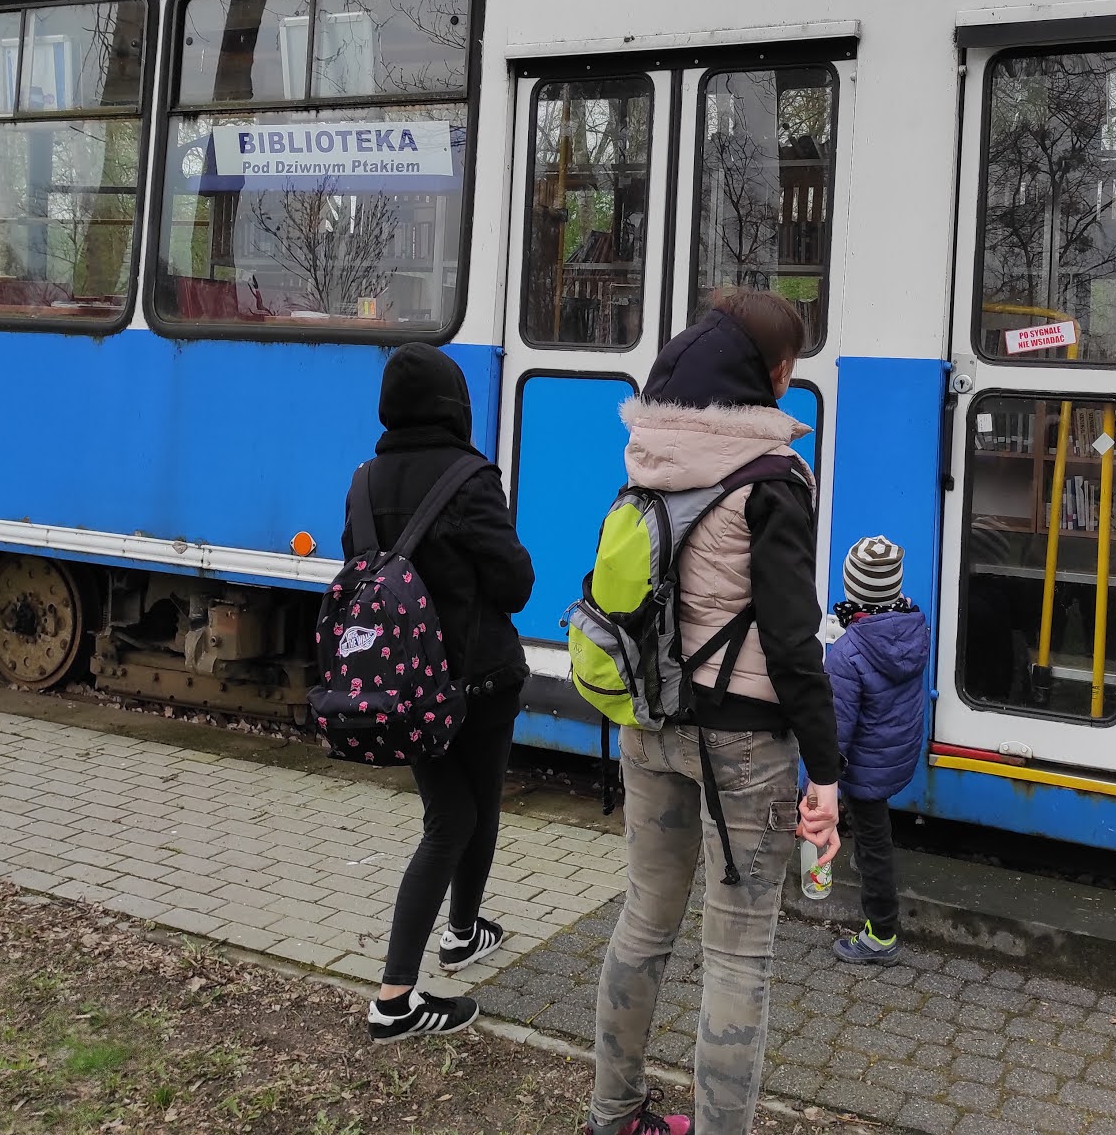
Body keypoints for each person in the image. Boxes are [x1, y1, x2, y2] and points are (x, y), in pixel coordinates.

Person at [585, 289, 843, 1135]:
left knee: (644, 924)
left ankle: (613, 1114)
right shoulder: (773, 479)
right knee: (738, 955)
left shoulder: (648, 456)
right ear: (773, 375)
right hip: (743, 746)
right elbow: (795, 642)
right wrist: (827, 773)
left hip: (649, 724)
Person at [358, 343, 535, 1042]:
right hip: (480, 682)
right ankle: (395, 1000)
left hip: (403, 688)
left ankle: (464, 934)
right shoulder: (470, 477)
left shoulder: (364, 481)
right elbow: (515, 584)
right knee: (460, 818)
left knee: (456, 810)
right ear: (455, 404)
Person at [822, 536, 930, 965]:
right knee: (873, 832)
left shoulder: (846, 654)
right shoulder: (912, 625)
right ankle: (866, 863)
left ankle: (880, 934)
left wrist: (822, 776)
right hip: (897, 751)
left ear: (851, 588)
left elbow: (836, 730)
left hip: (865, 765)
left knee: (874, 840)